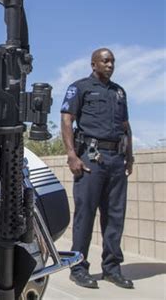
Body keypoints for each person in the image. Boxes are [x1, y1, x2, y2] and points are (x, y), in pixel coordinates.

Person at [60, 48, 134, 289]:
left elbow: (125, 125)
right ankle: (78, 267)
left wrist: (129, 156)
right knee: (85, 215)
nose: (110, 64)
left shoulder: (119, 92)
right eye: (105, 61)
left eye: (112, 61)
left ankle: (112, 268)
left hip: (116, 159)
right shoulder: (79, 87)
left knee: (115, 217)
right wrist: (72, 155)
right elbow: (67, 119)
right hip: (91, 159)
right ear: (94, 65)